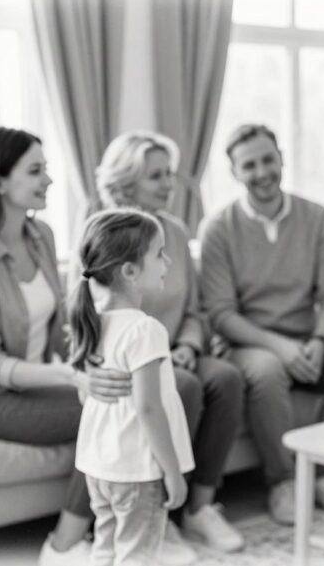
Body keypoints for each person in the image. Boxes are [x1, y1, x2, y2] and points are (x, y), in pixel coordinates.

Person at [0, 127, 130, 566]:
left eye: (47, 169)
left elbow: (60, 324)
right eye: (36, 171)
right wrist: (72, 376)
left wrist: (99, 361)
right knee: (103, 412)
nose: (49, 180)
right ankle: (62, 546)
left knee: (124, 392)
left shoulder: (42, 236)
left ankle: (129, 529)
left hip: (30, 384)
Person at [199, 124, 324, 524]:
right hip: (246, 344)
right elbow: (221, 314)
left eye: (268, 160)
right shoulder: (218, 228)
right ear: (234, 172)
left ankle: (323, 474)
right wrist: (280, 347)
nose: (262, 172)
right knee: (267, 369)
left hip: (308, 336)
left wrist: (319, 340)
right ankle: (282, 482)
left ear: (282, 159)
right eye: (249, 165)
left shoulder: (315, 217)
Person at [91, 131, 246, 553]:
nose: (168, 184)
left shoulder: (175, 231)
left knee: (226, 378)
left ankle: (200, 507)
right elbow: (87, 313)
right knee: (184, 386)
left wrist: (189, 346)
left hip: (177, 349)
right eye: (155, 175)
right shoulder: (104, 233)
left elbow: (195, 309)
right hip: (131, 360)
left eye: (169, 173)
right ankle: (160, 513)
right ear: (126, 183)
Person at [69, 208, 194, 565]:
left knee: (106, 550)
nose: (168, 261)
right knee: (137, 556)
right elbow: (149, 408)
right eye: (159, 253)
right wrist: (173, 472)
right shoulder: (145, 330)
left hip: (100, 468)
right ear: (130, 271)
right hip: (139, 471)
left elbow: (89, 395)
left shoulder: (93, 323)